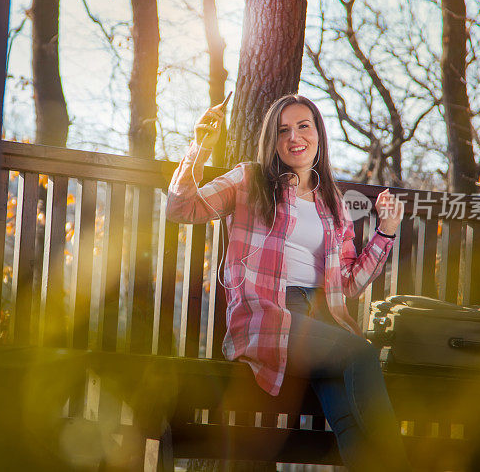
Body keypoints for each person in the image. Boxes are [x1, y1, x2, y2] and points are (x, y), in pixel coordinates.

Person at [165, 93, 411, 471]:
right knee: (360, 354)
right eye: (283, 130)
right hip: (272, 314)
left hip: (324, 322)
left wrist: (387, 232)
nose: (294, 137)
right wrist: (200, 147)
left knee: (347, 417)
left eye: (303, 126)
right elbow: (182, 208)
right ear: (274, 141)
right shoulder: (250, 180)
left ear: (318, 134)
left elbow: (347, 284)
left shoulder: (333, 203)